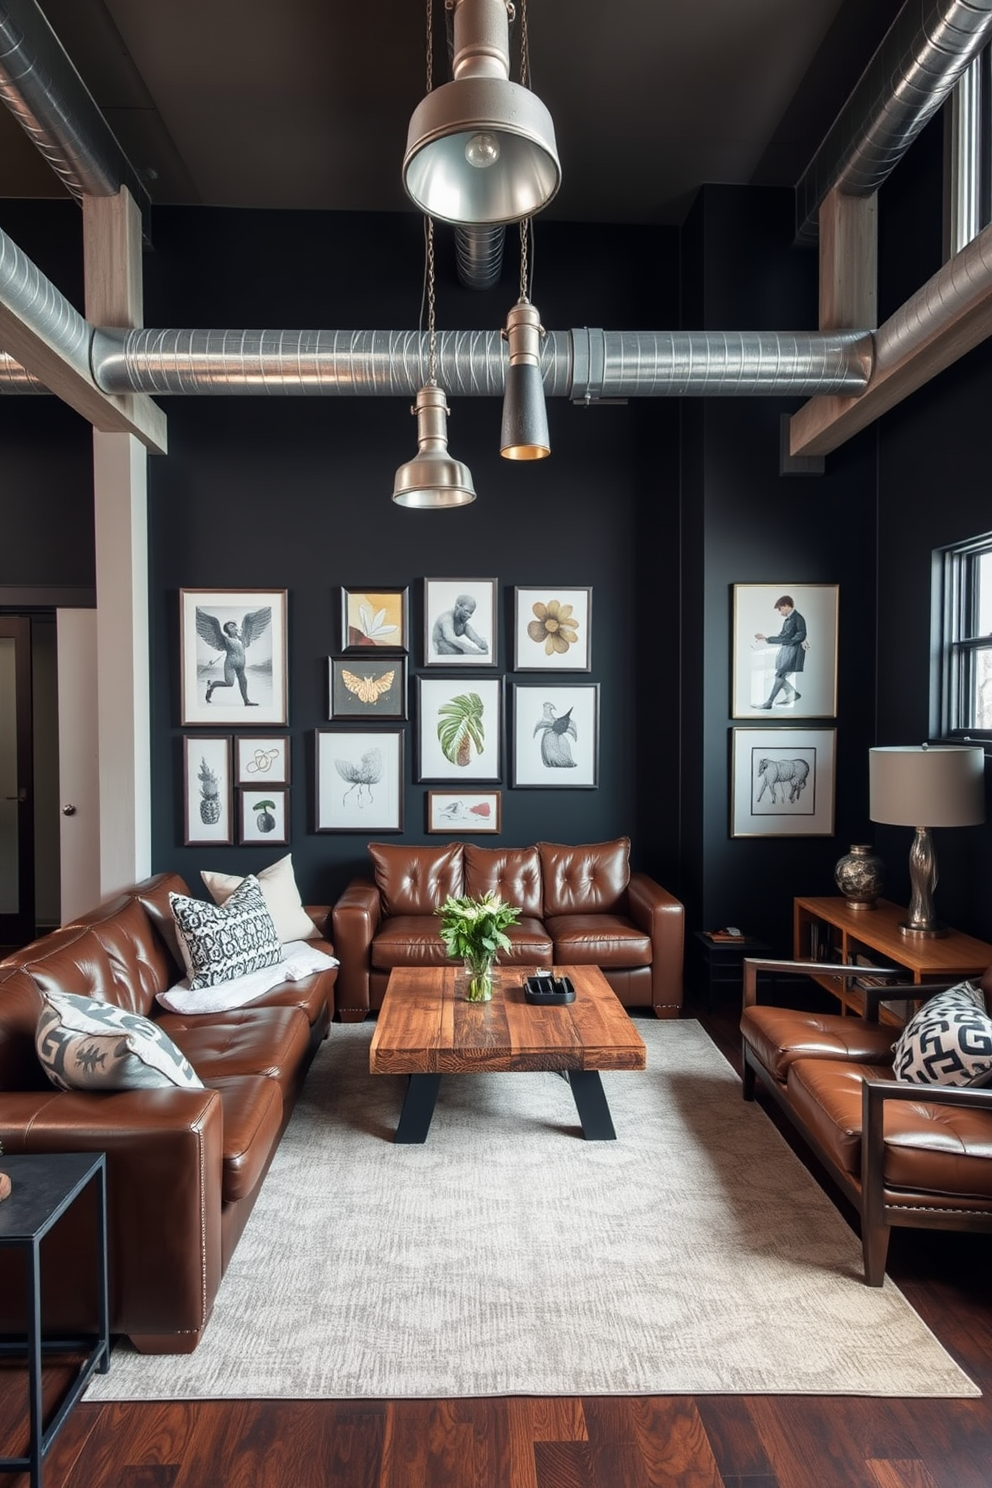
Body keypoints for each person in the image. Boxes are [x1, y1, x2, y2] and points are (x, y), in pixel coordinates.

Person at [197, 606, 271, 706]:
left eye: (234, 626)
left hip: (241, 663)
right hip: (230, 663)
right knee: (229, 683)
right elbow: (221, 647)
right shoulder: (226, 639)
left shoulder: (242, 639)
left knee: (243, 680)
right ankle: (212, 684)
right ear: (227, 630)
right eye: (231, 627)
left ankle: (246, 701)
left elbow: (247, 626)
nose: (234, 627)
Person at [754, 595, 808, 708]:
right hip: (787, 651)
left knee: (779, 675)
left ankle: (769, 702)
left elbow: (800, 635)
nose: (779, 612)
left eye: (780, 608)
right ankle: (792, 694)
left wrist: (785, 641)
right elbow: (784, 635)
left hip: (792, 652)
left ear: (787, 606)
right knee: (779, 675)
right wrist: (767, 638)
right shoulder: (789, 619)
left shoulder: (797, 618)